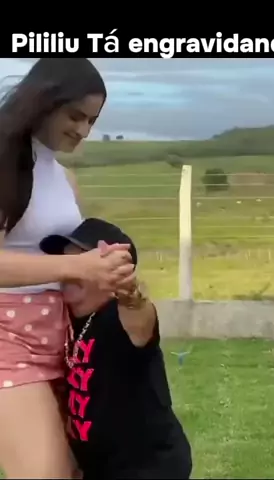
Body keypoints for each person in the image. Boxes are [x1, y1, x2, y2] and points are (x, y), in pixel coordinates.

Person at [0, 58, 135, 478]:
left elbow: (72, 260)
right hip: (6, 338)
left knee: (81, 471)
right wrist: (79, 266)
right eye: (76, 116)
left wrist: (109, 272)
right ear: (44, 100)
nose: (84, 131)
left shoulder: (64, 178)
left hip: (64, 340)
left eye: (92, 121)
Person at [40, 217, 192, 480]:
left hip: (148, 467)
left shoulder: (116, 318)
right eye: (67, 261)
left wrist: (130, 295)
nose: (69, 271)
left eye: (82, 263)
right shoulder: (63, 320)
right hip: (99, 467)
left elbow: (139, 319)